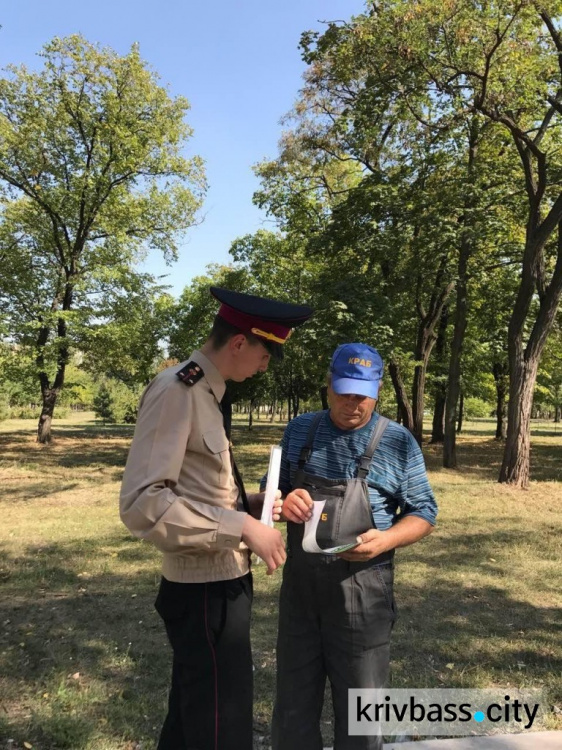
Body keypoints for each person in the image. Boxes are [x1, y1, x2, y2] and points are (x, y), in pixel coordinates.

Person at [119, 286, 313, 750]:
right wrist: (241, 527)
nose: (267, 365)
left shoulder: (207, 392)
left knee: (192, 719)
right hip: (202, 591)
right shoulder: (178, 391)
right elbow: (143, 502)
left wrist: (257, 507)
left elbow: (199, 487)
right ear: (240, 343)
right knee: (219, 725)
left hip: (220, 582)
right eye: (268, 353)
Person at [267, 342, 438, 750]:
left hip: (363, 594)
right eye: (343, 392)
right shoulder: (299, 431)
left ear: (377, 391)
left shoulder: (397, 442)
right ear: (327, 386)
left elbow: (424, 512)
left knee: (362, 715)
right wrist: (283, 501)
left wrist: (387, 539)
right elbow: (270, 494)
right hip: (302, 595)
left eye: (362, 395)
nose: (352, 404)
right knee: (292, 708)